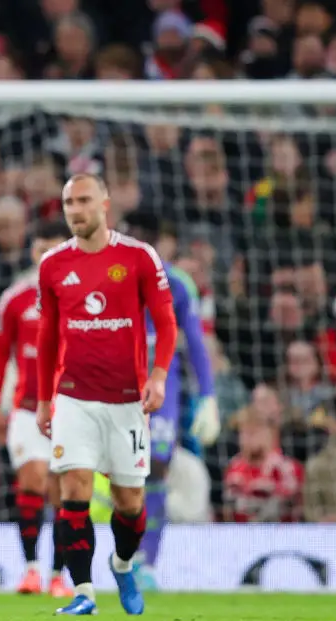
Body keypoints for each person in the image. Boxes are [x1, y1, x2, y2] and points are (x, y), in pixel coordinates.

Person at [35, 174, 177, 616]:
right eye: (68, 202)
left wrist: (158, 377)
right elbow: (47, 337)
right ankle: (83, 592)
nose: (75, 209)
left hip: (127, 401)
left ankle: (122, 563)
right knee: (74, 488)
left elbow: (166, 324)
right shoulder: (53, 265)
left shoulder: (138, 257)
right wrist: (44, 399)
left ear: (104, 204)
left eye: (83, 200)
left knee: (130, 503)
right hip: (74, 397)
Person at [122, 212, 220, 590]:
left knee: (156, 466)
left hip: (161, 389)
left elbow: (195, 341)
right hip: (115, 386)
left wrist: (208, 396)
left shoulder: (177, 284)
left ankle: (146, 562)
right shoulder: (109, 277)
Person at [0, 219, 74, 598]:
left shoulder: (83, 298)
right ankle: (31, 570)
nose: (47, 257)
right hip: (25, 410)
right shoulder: (16, 299)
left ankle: (58, 575)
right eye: (42, 249)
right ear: (33, 252)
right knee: (33, 480)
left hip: (71, 410)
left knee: (62, 492)